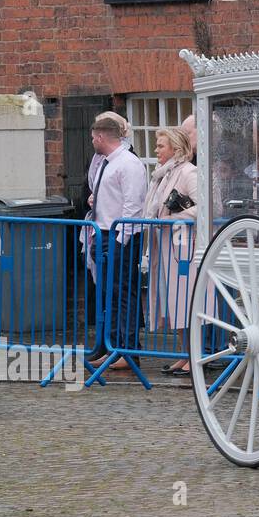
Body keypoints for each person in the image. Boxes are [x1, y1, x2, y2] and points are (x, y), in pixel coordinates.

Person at [81, 112, 148, 370]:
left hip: (119, 235)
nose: (92, 143)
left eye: (93, 138)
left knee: (123, 293)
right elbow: (111, 196)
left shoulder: (128, 163)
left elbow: (133, 205)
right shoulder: (106, 163)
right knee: (108, 293)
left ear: (100, 137)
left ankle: (128, 351)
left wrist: (122, 239)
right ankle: (112, 346)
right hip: (103, 232)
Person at [142, 128, 199, 374]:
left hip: (184, 246)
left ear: (175, 150)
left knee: (185, 300)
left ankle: (193, 355)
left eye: (160, 146)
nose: (156, 151)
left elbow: (205, 207)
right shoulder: (164, 175)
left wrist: (176, 217)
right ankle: (184, 352)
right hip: (166, 246)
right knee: (171, 301)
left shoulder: (189, 172)